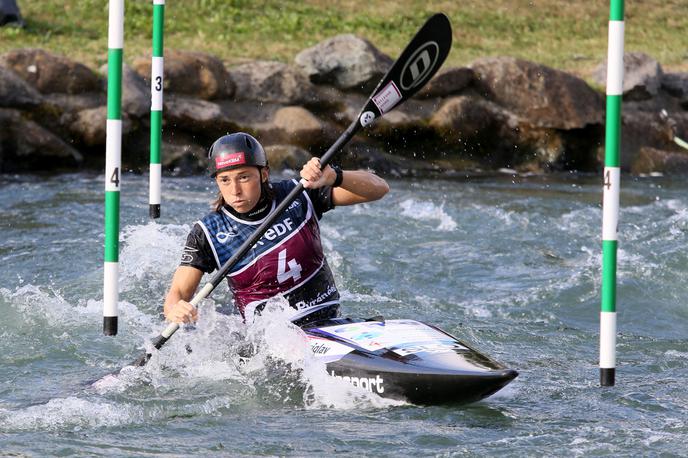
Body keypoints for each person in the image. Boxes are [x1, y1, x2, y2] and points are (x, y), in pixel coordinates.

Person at [163, 132, 389, 326]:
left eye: (244, 177)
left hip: (329, 322)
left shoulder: (297, 194)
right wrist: (175, 310)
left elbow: (379, 189)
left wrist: (334, 176)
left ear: (263, 174)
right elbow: (179, 294)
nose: (235, 190)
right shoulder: (208, 232)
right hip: (270, 344)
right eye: (225, 180)